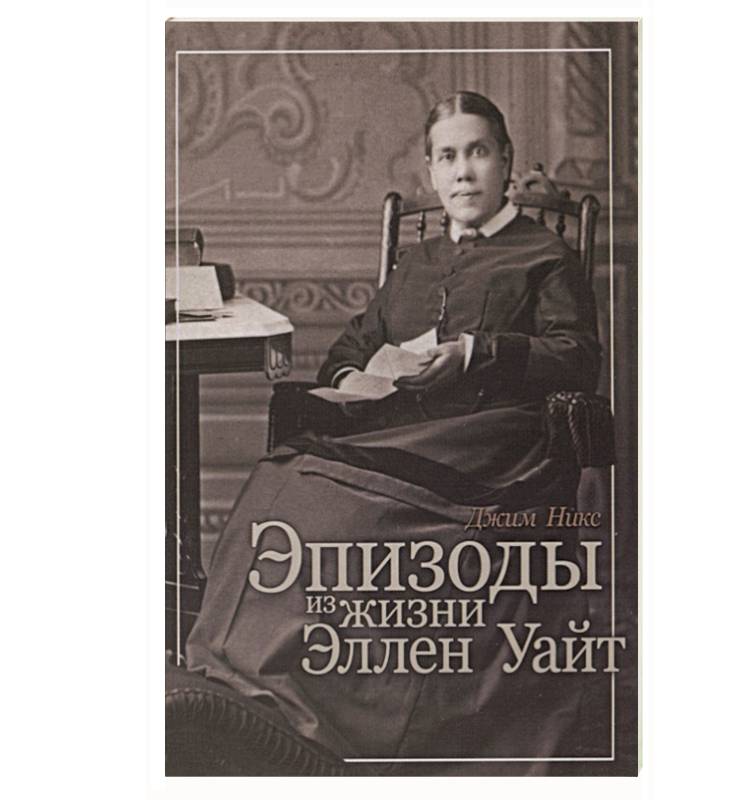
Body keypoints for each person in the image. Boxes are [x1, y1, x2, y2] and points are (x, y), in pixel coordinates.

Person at [185, 91, 602, 775]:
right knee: (280, 479)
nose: (463, 171)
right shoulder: (419, 261)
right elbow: (351, 348)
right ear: (430, 172)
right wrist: (355, 377)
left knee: (330, 504)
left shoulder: (544, 254)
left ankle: (340, 713)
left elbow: (578, 358)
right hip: (401, 435)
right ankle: (243, 680)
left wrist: (475, 353)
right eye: (448, 156)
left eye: (478, 152)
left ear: (506, 161)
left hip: (491, 447)